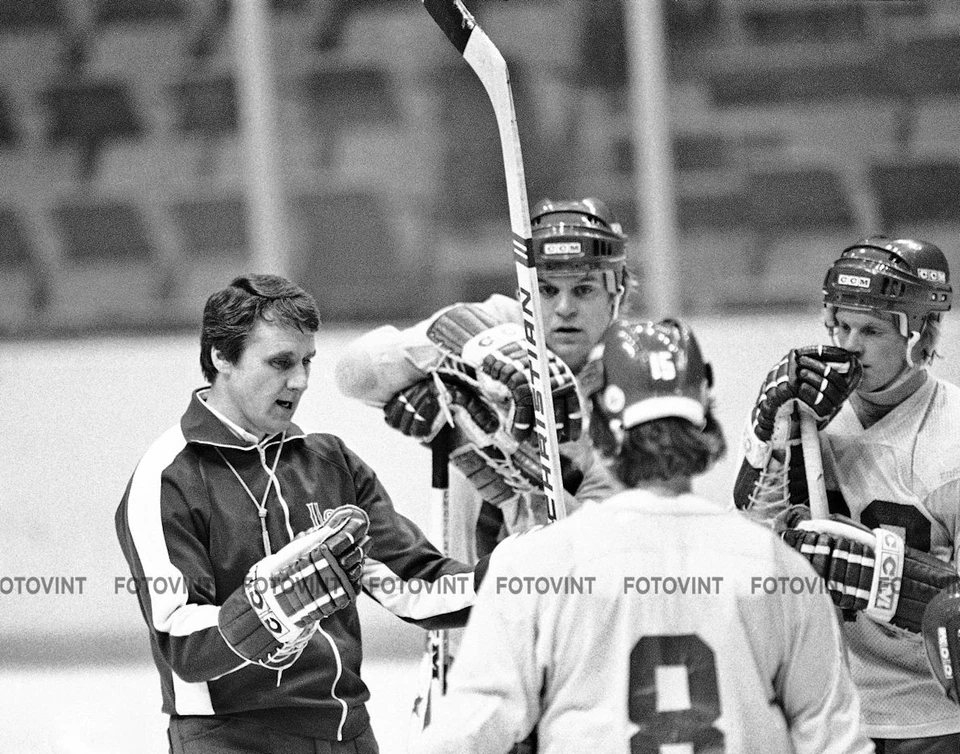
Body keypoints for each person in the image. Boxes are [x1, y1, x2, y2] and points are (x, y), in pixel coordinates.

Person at [418, 316, 874, 754]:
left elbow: (471, 729)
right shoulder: (777, 567)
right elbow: (834, 738)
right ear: (703, 414)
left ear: (598, 420)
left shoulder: (538, 564)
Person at [115, 274, 487, 754]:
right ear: (220, 357)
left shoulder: (328, 461)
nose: (301, 380)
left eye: (307, 360)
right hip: (231, 740)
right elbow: (181, 646)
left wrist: (521, 579)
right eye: (280, 362)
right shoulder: (169, 479)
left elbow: (417, 584)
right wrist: (267, 609)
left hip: (346, 732)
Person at [733, 236, 960, 752]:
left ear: (921, 335)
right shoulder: (807, 417)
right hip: (828, 712)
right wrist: (766, 431)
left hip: (932, 722)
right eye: (840, 325)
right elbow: (747, 548)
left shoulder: (955, 436)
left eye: (872, 330)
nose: (849, 345)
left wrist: (877, 577)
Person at [334, 197, 632, 566]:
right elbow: (352, 374)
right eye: (547, 290)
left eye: (584, 289)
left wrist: (513, 476)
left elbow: (610, 553)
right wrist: (460, 343)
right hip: (467, 605)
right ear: (525, 291)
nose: (565, 308)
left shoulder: (638, 378)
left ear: (615, 294)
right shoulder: (494, 322)